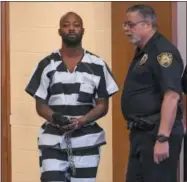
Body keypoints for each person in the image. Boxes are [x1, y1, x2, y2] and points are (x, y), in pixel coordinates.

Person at [25, 12, 119, 182]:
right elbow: (40, 105)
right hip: (53, 140)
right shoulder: (46, 64)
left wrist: (81, 121)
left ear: (83, 30)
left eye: (75, 25)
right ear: (59, 31)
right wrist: (55, 118)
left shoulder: (98, 65)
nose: (71, 28)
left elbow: (102, 106)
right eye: (66, 25)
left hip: (87, 141)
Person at [121, 4, 185, 182]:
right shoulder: (143, 52)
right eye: (124, 24)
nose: (126, 29)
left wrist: (163, 138)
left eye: (130, 24)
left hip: (156, 133)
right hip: (141, 134)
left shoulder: (162, 52)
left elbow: (172, 96)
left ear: (147, 24)